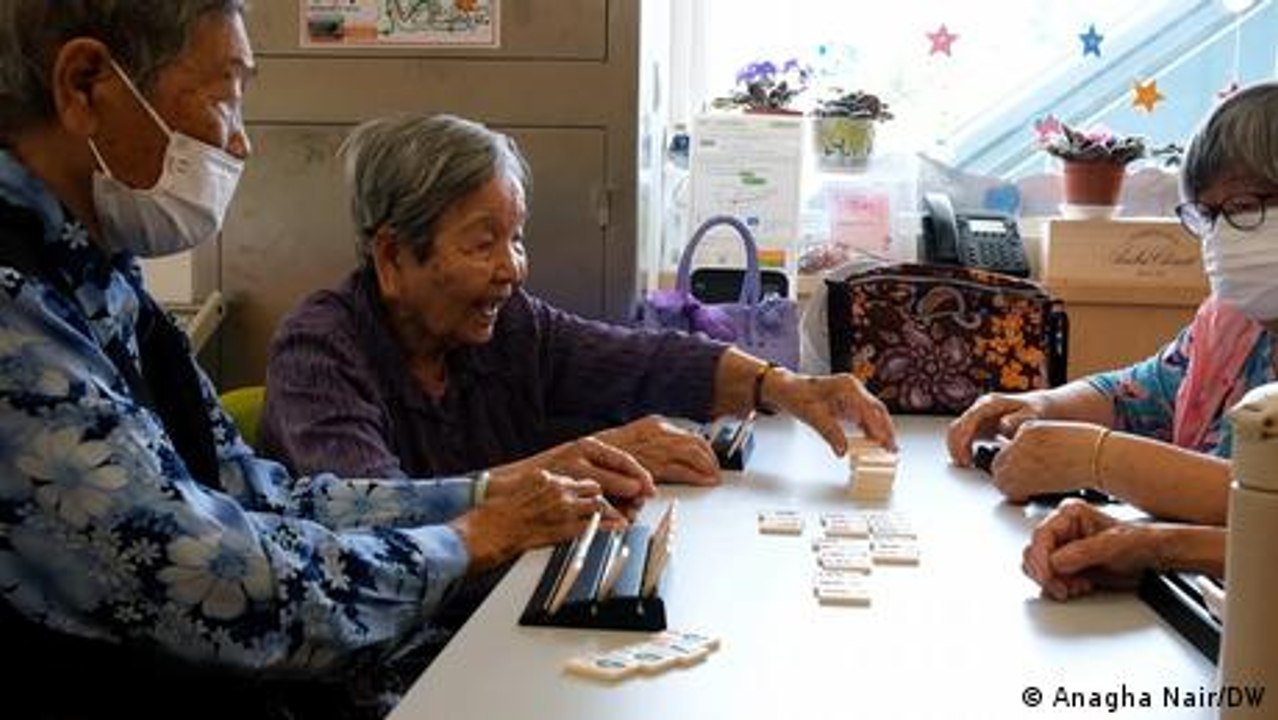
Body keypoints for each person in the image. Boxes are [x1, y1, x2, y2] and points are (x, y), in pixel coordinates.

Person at [0, 3, 652, 717]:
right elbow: (212, 581)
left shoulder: (100, 278)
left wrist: (489, 494)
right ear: (86, 84)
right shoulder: (15, 312)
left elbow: (257, 493)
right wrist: (473, 537)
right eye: (223, 97)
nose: (241, 143)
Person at [260, 113, 897, 485]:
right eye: (483, 244)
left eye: (516, 237)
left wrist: (782, 385)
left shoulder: (507, 327)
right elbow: (374, 522)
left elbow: (642, 360)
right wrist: (574, 466)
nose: (511, 269)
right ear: (393, 258)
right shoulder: (320, 353)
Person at [980, 82, 1278, 599]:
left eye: (1245, 205)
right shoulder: (1235, 321)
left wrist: (1100, 461)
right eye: (1207, 216)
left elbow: (1261, 502)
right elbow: (1141, 391)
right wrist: (1040, 404)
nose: (1224, 237)